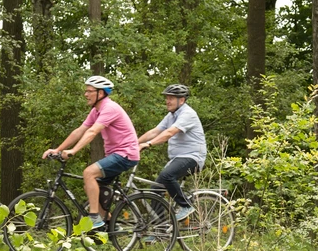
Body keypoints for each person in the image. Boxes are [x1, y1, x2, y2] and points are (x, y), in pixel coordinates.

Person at [41, 75, 140, 231]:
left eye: (89, 91)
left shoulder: (109, 108)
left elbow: (93, 131)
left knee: (88, 173)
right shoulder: (96, 110)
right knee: (90, 185)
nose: (85, 94)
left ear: (100, 93)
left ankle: (94, 217)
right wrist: (58, 149)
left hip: (125, 154)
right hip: (116, 154)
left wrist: (73, 151)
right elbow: (80, 130)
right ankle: (109, 221)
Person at [137, 84, 208, 221]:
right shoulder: (171, 115)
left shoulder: (188, 114)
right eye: (166, 98)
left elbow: (169, 132)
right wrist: (133, 144)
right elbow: (154, 131)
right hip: (177, 158)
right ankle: (161, 228)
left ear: (181, 100)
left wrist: (148, 144)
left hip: (193, 157)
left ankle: (186, 205)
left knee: (167, 175)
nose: (167, 101)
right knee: (156, 190)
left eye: (171, 98)